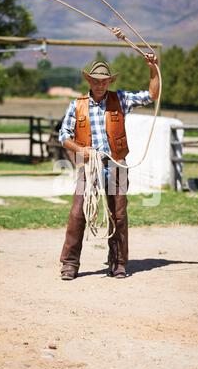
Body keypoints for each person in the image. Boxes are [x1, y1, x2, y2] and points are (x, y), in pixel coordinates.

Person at [59, 53, 159, 280]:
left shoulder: (121, 99)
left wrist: (153, 69)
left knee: (119, 214)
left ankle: (118, 263)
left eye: (104, 80)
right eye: (96, 80)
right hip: (89, 166)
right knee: (78, 214)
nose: (100, 83)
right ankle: (70, 264)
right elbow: (63, 135)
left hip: (116, 165)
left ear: (109, 82)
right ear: (89, 81)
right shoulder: (76, 105)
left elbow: (152, 95)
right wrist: (80, 150)